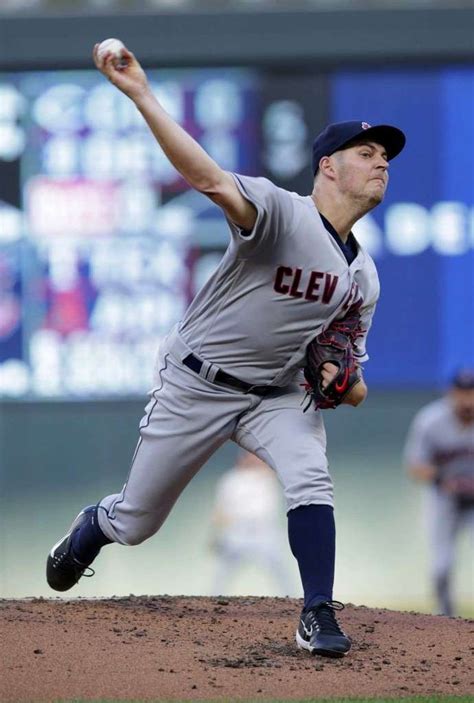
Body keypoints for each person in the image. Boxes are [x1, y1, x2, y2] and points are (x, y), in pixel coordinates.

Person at [46, 39, 406, 658]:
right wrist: (140, 94)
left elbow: (354, 379)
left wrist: (340, 380)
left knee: (310, 477)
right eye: (366, 152)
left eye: (385, 157)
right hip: (197, 380)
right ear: (327, 166)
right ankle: (93, 526)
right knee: (138, 522)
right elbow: (207, 177)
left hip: (276, 393)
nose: (381, 164)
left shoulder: (362, 278)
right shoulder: (279, 212)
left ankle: (317, 612)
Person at [404, 369, 474, 617]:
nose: (467, 400)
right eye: (462, 393)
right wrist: (444, 478)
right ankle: (446, 619)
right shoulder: (431, 420)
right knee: (441, 564)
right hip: (446, 498)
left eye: (471, 393)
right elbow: (414, 467)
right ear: (451, 393)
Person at [210, 450, 291, 597]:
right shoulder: (231, 479)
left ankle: (296, 602)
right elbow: (220, 509)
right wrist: (216, 533)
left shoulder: (266, 477)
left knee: (280, 570)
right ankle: (213, 601)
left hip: (263, 530)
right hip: (238, 530)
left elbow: (277, 470)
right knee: (223, 573)